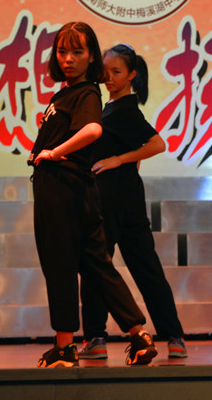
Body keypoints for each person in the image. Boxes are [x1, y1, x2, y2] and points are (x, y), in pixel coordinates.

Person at [28, 22, 157, 368]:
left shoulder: (85, 92)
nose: (68, 59)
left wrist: (54, 152)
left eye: (77, 51)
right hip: (79, 191)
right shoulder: (67, 93)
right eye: (62, 51)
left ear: (91, 57)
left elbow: (93, 129)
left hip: (62, 190)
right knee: (97, 267)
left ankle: (65, 347)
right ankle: (139, 335)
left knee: (60, 266)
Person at [78, 44, 187, 360]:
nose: (109, 78)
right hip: (126, 199)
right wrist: (125, 162)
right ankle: (174, 337)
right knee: (145, 269)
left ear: (131, 75)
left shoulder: (124, 109)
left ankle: (96, 338)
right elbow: (138, 150)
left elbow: (157, 144)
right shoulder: (113, 108)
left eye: (116, 72)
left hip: (111, 202)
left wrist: (117, 161)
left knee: (99, 268)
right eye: (105, 71)